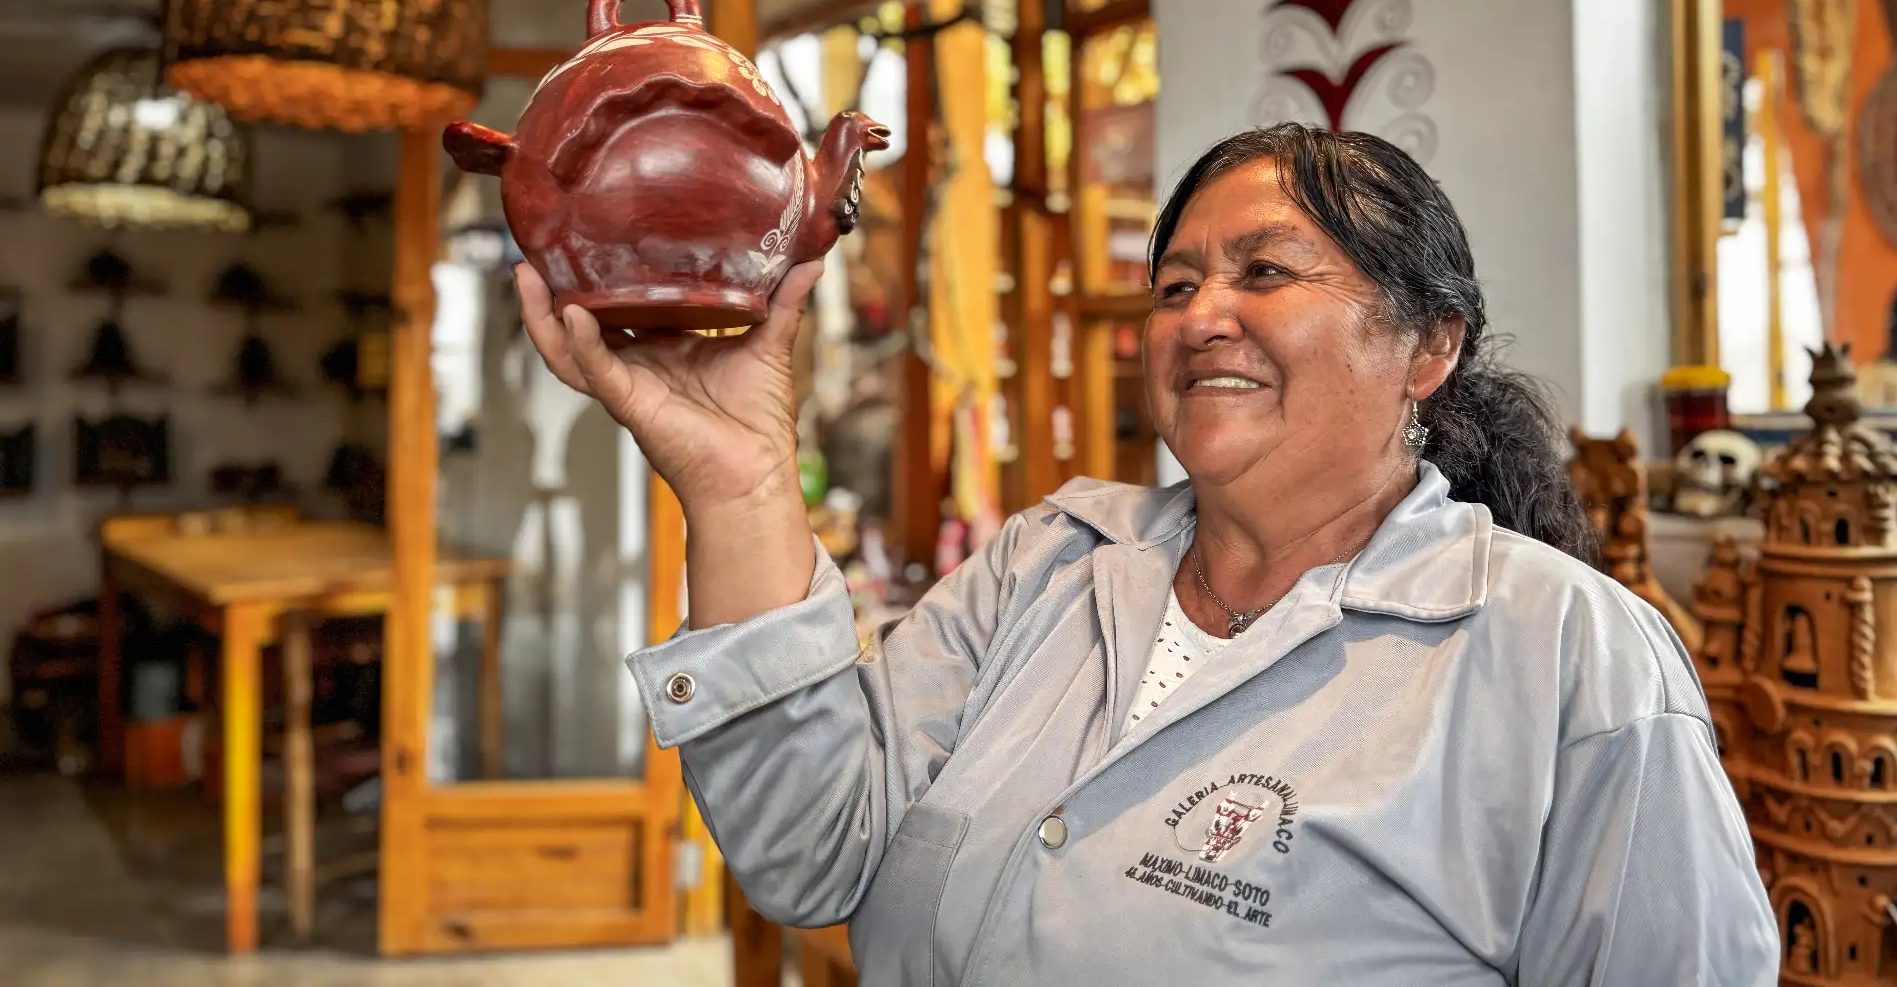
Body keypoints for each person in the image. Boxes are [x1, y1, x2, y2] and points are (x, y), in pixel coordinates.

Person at [515, 124, 1778, 983]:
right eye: (1173, 287)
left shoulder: (1566, 656)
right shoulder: (1048, 562)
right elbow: (808, 853)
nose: (1199, 314)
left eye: (1262, 271)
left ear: (1426, 349)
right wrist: (737, 478)